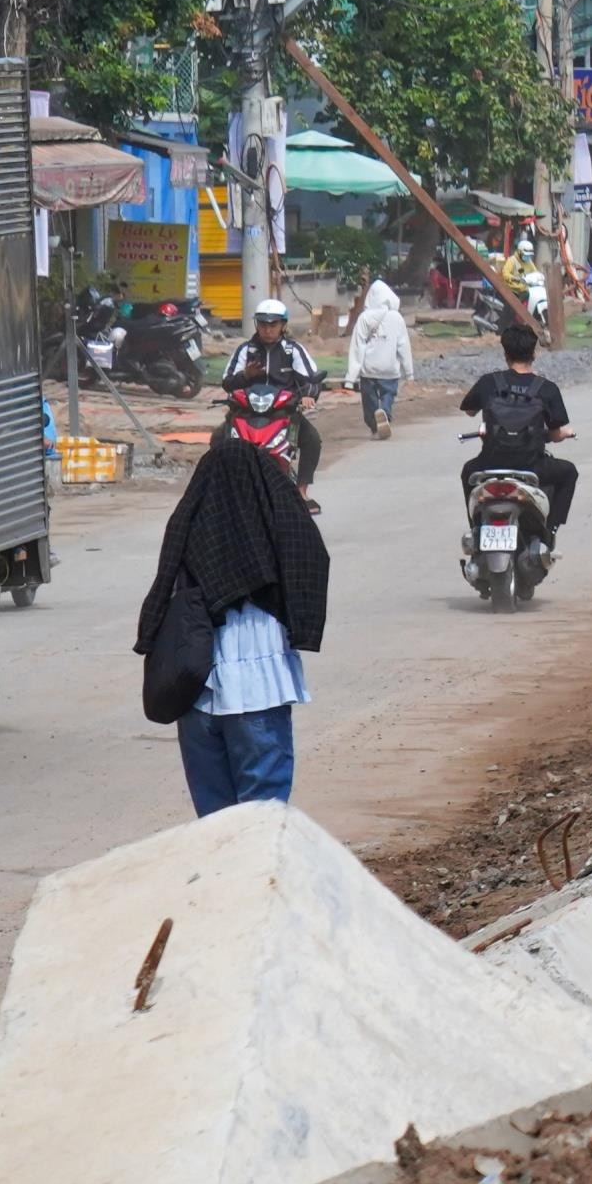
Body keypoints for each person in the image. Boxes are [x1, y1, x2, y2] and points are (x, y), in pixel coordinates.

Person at [135, 434, 329, 815]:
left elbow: (164, 587)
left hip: (198, 691)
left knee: (215, 822)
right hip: (262, 689)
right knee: (263, 816)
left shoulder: (191, 523)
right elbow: (310, 556)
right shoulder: (277, 522)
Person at [457, 319, 579, 548]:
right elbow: (554, 435)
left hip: (489, 465)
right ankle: (549, 531)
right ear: (534, 352)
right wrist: (565, 433)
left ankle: (476, 530)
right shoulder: (546, 388)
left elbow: (469, 410)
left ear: (505, 353)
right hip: (532, 467)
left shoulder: (489, 382)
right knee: (569, 472)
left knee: (467, 472)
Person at [227, 296, 326, 498]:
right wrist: (246, 376)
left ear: (283, 325)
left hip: (286, 413)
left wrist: (308, 395)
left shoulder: (293, 350)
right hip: (246, 413)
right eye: (263, 324)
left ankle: (302, 489)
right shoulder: (245, 350)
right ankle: (221, 488)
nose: (268, 329)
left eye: (273, 324)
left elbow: (312, 379)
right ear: (257, 325)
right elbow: (226, 382)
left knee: (312, 439)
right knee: (218, 440)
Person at [346, 270, 413, 439]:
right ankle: (385, 413)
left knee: (369, 400)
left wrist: (350, 378)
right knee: (388, 394)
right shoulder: (397, 318)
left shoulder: (364, 318)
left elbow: (357, 346)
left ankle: (375, 427)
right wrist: (409, 372)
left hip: (369, 369)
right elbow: (403, 346)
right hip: (390, 368)